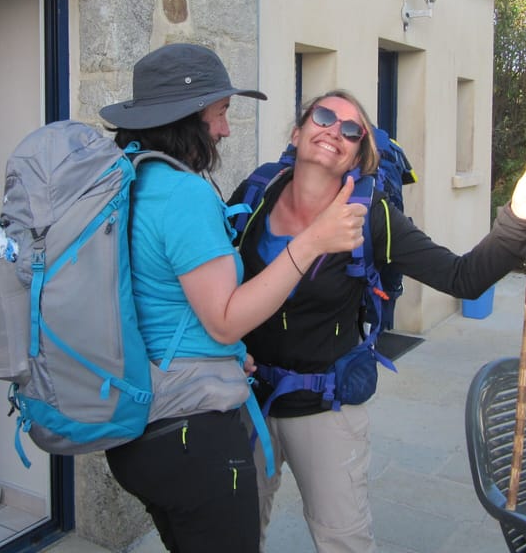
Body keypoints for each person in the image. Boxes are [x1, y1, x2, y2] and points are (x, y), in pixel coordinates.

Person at [228, 89, 526, 553]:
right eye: (323, 116)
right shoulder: (257, 192)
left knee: (343, 541)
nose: (334, 131)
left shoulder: (372, 216)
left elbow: (462, 277)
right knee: (234, 533)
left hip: (324, 408)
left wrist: (517, 215)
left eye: (351, 131)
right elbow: (213, 283)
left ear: (357, 158)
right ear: (297, 133)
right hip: (245, 398)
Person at [98, 46, 368, 553]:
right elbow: (224, 320)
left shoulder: (128, 178)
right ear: (189, 117)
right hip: (189, 431)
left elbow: (158, 296)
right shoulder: (184, 194)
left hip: (137, 425)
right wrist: (313, 241)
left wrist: (223, 353)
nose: (225, 129)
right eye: (221, 113)